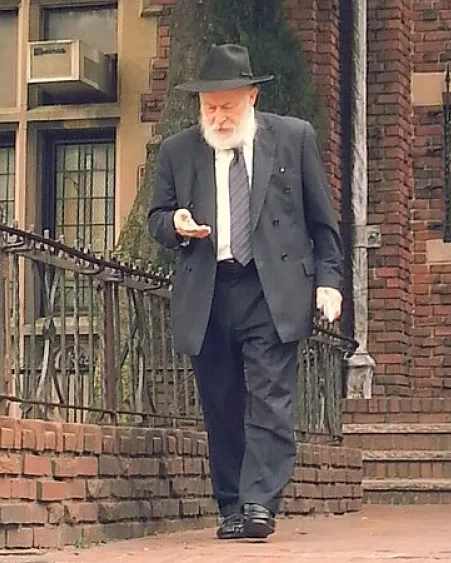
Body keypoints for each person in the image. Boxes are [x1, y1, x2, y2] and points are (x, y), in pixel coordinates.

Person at [148, 43, 344, 540]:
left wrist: (329, 281)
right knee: (222, 401)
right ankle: (232, 503)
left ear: (252, 98)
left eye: (227, 107)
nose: (217, 117)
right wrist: (175, 222)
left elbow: (323, 221)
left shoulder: (294, 139)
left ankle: (260, 503)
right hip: (210, 290)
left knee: (270, 397)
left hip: (270, 287)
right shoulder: (178, 150)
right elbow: (156, 217)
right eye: (209, 108)